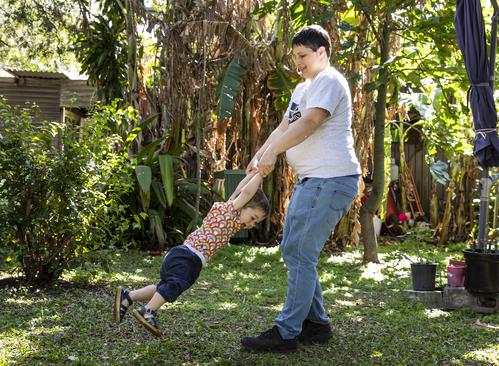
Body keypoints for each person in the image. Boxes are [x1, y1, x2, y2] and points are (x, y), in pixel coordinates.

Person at [240, 24, 361, 354]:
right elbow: (285, 126)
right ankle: (316, 325)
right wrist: (260, 154)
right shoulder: (302, 89)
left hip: (331, 178)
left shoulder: (329, 81)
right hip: (312, 180)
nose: (298, 63)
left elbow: (310, 123)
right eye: (295, 57)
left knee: (301, 253)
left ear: (321, 53)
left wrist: (272, 154)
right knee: (294, 250)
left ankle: (287, 332)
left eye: (303, 55)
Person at [113, 173, 269, 337]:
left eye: (255, 222)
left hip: (185, 255)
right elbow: (245, 192)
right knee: (175, 285)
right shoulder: (230, 211)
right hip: (188, 257)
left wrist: (251, 174)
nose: (251, 224)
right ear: (244, 205)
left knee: (165, 287)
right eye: (253, 218)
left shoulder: (228, 209)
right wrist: (260, 173)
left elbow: (239, 190)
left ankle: (128, 296)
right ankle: (148, 310)